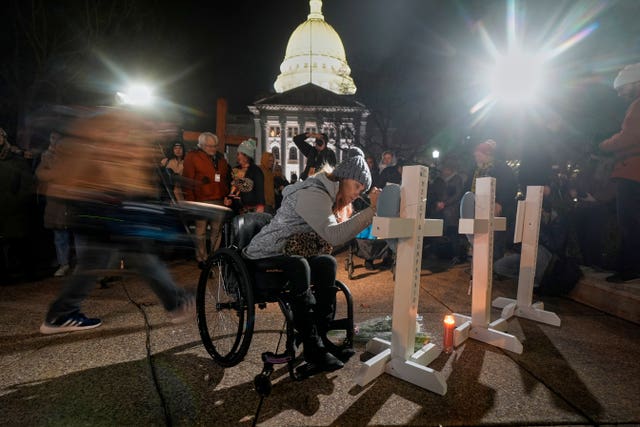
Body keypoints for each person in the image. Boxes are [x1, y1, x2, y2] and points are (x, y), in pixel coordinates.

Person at [38, 109, 194, 334]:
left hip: (101, 203)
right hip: (106, 204)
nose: (170, 132)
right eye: (169, 126)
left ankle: (61, 313)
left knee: (95, 262)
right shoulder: (122, 126)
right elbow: (115, 164)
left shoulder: (127, 128)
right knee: (140, 256)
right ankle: (176, 303)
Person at [244, 148, 380, 373]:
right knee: (300, 266)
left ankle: (321, 337)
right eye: (357, 187)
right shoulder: (314, 192)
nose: (358, 194)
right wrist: (373, 210)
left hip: (288, 251)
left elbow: (334, 236)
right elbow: (334, 235)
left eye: (362, 190)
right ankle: (311, 346)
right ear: (345, 178)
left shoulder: (328, 194)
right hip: (266, 251)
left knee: (327, 263)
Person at [599, 63, 640, 283]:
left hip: (633, 172)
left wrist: (604, 145)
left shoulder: (637, 105)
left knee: (629, 221)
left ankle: (629, 268)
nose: (620, 92)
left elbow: (630, 137)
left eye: (622, 87)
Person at [182, 132, 230, 269]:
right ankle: (201, 257)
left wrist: (226, 195)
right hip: (200, 200)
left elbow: (225, 178)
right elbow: (188, 180)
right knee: (201, 231)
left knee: (217, 230)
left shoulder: (221, 159)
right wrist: (190, 201)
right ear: (202, 145)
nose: (213, 149)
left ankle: (213, 256)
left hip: (218, 199)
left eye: (215, 146)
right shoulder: (192, 157)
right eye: (210, 146)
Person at [470, 139, 518, 261]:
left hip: (496, 209)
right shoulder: (477, 170)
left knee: (496, 239)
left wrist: (499, 202)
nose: (476, 157)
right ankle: (480, 264)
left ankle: (494, 266)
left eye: (478, 155)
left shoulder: (502, 168)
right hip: (480, 208)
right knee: (480, 237)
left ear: (487, 154)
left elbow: (509, 187)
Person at [36, 131, 74, 277]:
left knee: (75, 233)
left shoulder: (71, 156)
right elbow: (40, 174)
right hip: (55, 200)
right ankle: (63, 263)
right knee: (59, 234)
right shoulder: (46, 156)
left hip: (71, 199)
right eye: (52, 138)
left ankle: (78, 263)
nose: (54, 141)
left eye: (56, 138)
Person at [433, 157, 465, 261]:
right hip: (440, 210)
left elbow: (457, 194)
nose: (444, 171)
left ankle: (456, 255)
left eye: (446, 169)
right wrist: (437, 203)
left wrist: (445, 203)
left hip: (452, 211)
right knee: (439, 232)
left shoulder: (457, 179)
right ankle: (441, 254)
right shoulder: (439, 180)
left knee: (453, 233)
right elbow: (434, 193)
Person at [224, 139, 265, 214]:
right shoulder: (235, 170)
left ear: (247, 156)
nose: (238, 156)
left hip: (251, 210)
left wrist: (261, 205)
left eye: (240, 154)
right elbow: (231, 187)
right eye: (238, 154)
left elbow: (260, 189)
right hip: (236, 209)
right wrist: (228, 199)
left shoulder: (256, 171)